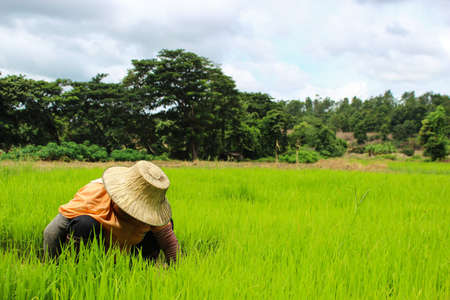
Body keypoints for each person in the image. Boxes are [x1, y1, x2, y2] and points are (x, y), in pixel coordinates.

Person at [43, 160, 180, 264]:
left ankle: (143, 268)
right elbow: (52, 231)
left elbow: (168, 241)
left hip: (129, 252)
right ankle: (77, 265)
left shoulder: (153, 207)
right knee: (85, 224)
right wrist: (53, 265)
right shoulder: (95, 193)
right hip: (97, 250)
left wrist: (175, 269)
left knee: (165, 224)